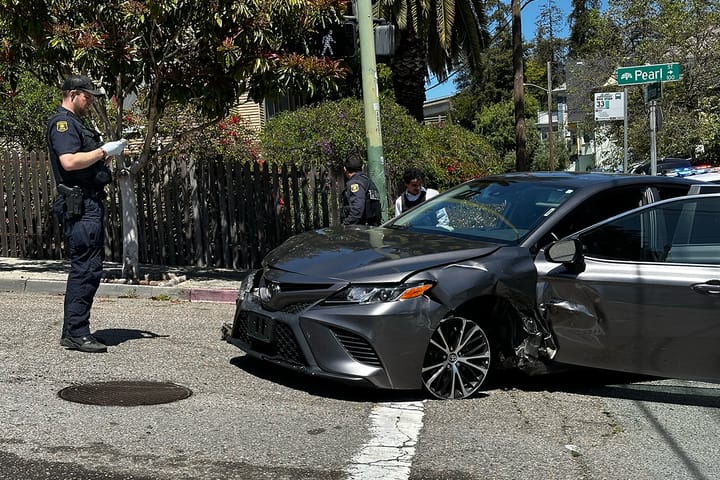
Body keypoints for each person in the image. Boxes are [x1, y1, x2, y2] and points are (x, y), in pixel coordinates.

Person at [47, 74, 127, 353]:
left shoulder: (77, 124)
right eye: (87, 95)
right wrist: (103, 150)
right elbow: (68, 162)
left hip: (88, 203)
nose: (90, 100)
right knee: (85, 269)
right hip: (80, 206)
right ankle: (76, 332)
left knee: (90, 268)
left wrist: (104, 154)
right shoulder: (63, 124)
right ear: (72, 94)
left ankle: (76, 330)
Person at [341, 153, 381, 226]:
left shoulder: (355, 183)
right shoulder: (367, 181)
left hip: (360, 230)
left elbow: (358, 208)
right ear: (362, 167)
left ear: (345, 169)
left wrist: (346, 224)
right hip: (371, 227)